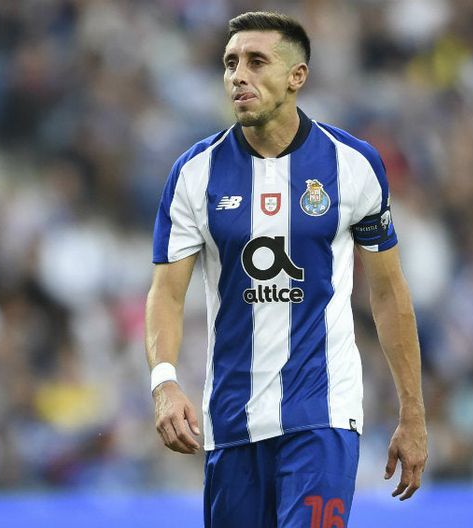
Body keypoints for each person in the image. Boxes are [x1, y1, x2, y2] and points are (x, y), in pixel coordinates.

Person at [145, 11, 427, 527]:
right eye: (230, 63)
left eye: (256, 62)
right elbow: (166, 292)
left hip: (323, 414)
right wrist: (164, 382)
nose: (238, 76)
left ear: (297, 76)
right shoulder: (194, 174)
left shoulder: (353, 165)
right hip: (232, 420)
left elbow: (388, 293)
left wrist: (413, 413)